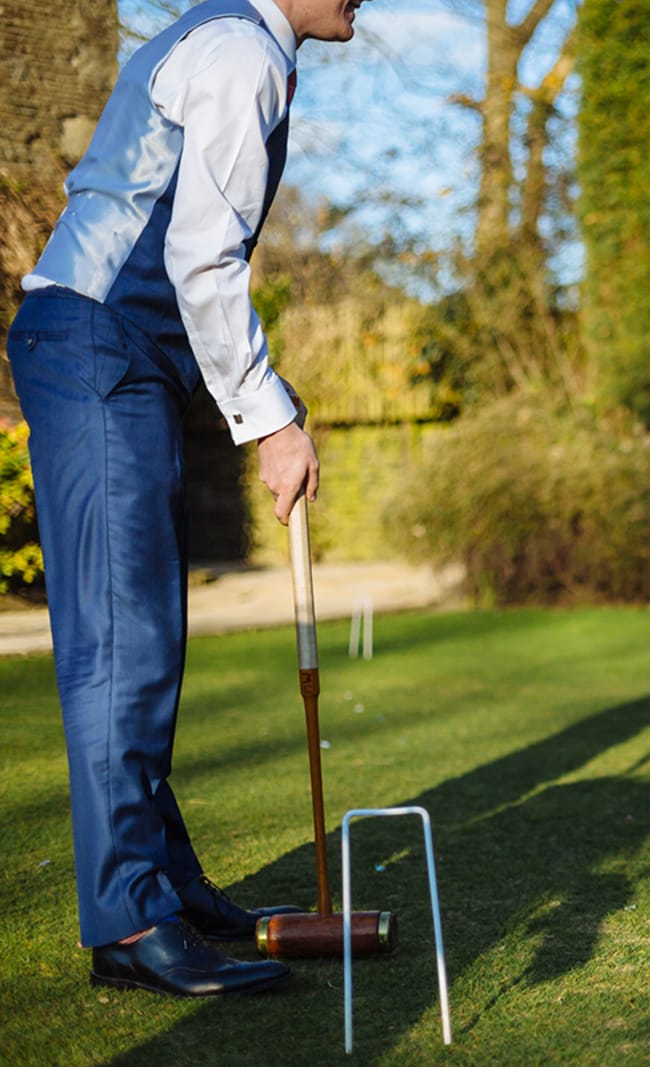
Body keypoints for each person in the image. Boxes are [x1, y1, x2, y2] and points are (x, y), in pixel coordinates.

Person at [5, 0, 375, 996]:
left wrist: (266, 400)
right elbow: (202, 259)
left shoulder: (237, 45)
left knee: (143, 636)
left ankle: (165, 885)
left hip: (112, 354)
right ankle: (131, 924)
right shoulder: (238, 52)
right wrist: (268, 420)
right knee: (125, 641)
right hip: (99, 344)